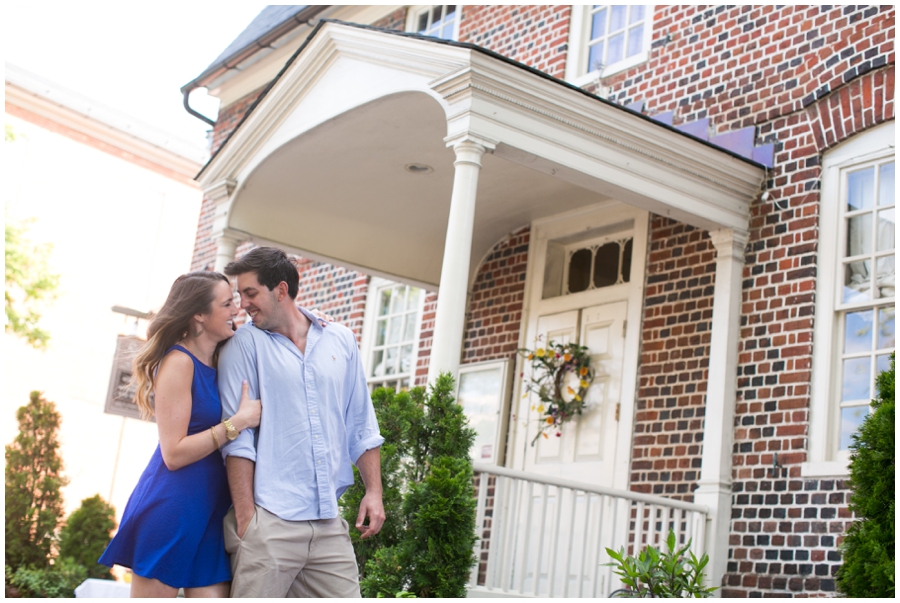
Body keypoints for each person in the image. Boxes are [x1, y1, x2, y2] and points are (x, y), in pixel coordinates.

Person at [218, 246, 385, 598]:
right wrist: (249, 520)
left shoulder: (340, 339)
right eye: (240, 295)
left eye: (251, 293)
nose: (243, 304)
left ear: (281, 289)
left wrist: (374, 491)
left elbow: (361, 423)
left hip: (327, 523)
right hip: (271, 520)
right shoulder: (244, 346)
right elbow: (238, 440)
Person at [99, 271, 262, 597]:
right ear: (199, 315)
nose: (237, 309)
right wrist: (237, 423)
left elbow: (276, 329)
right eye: (227, 303)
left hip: (213, 513)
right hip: (172, 508)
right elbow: (173, 453)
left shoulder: (224, 356)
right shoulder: (178, 362)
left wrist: (315, 323)